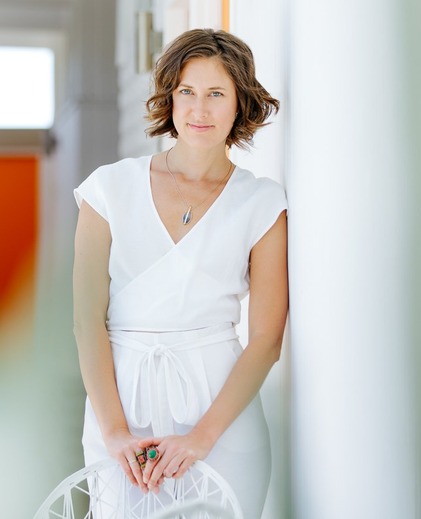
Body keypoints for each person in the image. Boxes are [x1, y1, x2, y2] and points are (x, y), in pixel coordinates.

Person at [72, 28, 288, 518]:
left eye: (217, 94)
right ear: (169, 98)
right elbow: (87, 322)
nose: (199, 109)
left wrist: (200, 438)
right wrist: (114, 433)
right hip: (122, 403)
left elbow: (267, 338)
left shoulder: (262, 202)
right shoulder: (108, 189)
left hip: (221, 408)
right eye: (186, 92)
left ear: (241, 104)